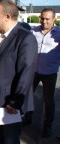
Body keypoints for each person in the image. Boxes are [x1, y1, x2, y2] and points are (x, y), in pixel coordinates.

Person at [0, 0, 37, 144]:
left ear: (7, 16)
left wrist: (14, 102)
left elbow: (26, 72)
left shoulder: (25, 38)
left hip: (10, 103)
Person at [24, 8, 60, 137]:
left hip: (50, 73)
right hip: (33, 71)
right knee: (28, 96)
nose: (44, 21)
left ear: (54, 19)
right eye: (42, 18)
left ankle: (47, 126)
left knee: (48, 100)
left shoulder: (59, 33)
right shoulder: (33, 32)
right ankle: (27, 118)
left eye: (47, 19)